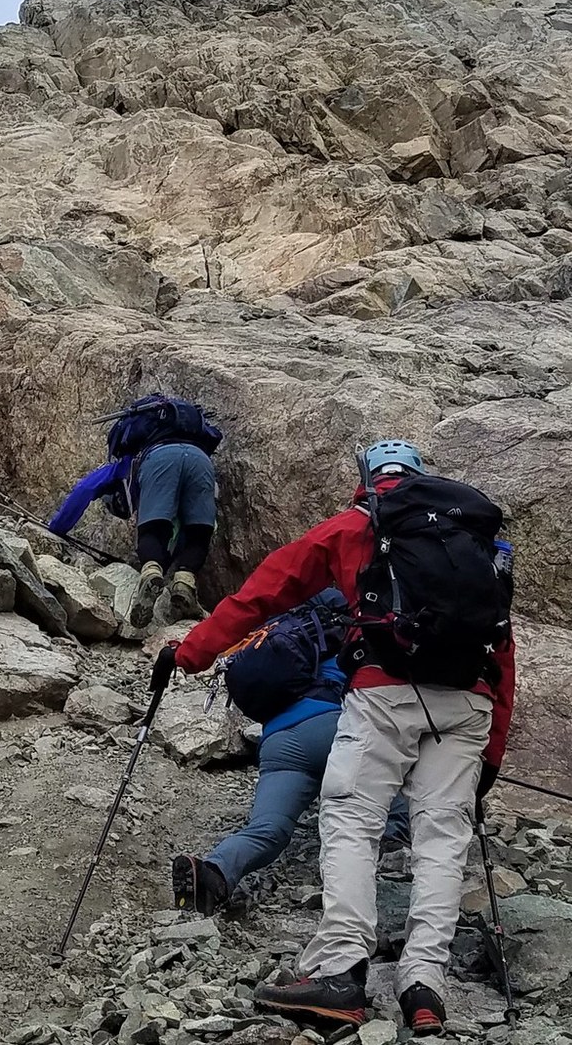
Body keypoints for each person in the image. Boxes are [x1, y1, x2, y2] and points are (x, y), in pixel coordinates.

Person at [155, 440, 515, 1038]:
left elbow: (263, 593)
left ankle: (341, 970)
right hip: (469, 700)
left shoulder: (355, 525)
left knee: (351, 819)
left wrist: (190, 652)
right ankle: (424, 987)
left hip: (384, 692)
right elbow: (502, 651)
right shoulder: (473, 541)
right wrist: (492, 758)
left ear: (367, 481)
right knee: (442, 836)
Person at [169, 588, 409, 916]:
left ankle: (214, 872)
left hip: (279, 741)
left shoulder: (274, 634)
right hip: (332, 724)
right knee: (392, 779)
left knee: (269, 829)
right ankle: (392, 852)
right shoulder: (349, 628)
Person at [49, 394, 220, 627]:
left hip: (160, 459)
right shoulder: (192, 441)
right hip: (202, 461)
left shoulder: (126, 463)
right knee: (198, 534)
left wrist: (56, 529)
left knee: (153, 530)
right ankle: (184, 582)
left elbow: (85, 488)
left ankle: (150, 573)